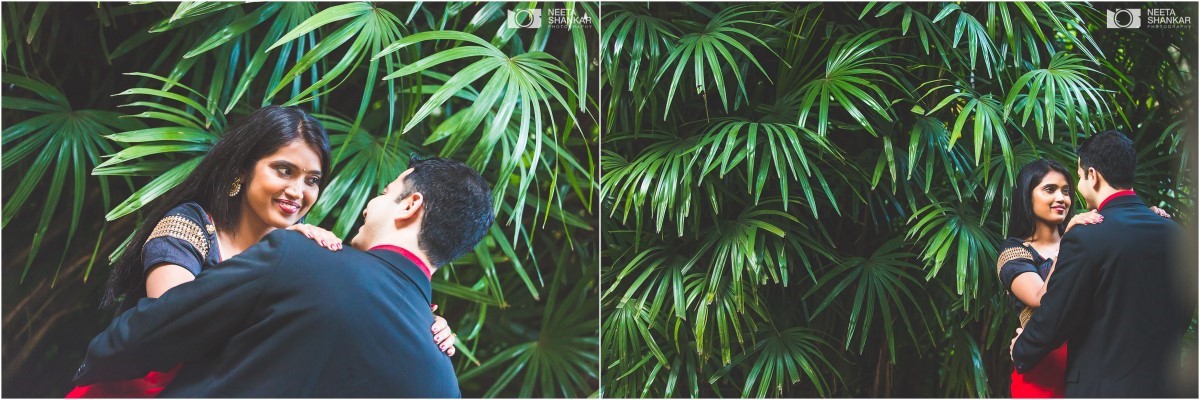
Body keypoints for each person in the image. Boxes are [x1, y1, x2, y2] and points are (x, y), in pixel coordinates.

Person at [67, 106, 456, 398]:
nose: (298, 191)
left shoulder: (307, 250)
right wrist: (286, 267)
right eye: (283, 170)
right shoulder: (188, 226)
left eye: (312, 180)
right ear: (243, 170)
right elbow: (173, 322)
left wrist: (424, 327)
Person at [1010, 131, 1192, 397]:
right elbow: (1184, 310)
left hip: (1101, 388)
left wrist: (1021, 349)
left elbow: (1056, 315)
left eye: (1080, 178)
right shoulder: (1177, 234)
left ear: (1092, 175)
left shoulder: (1087, 236)